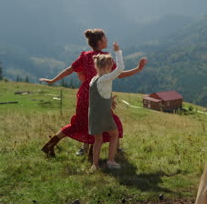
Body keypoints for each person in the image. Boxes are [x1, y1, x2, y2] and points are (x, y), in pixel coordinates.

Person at [40, 29, 147, 157]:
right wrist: (138, 69)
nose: (107, 40)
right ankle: (97, 156)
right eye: (105, 38)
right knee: (109, 125)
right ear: (100, 42)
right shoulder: (105, 58)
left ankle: (50, 145)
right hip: (98, 96)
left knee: (79, 124)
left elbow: (69, 70)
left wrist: (53, 80)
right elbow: (120, 74)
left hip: (85, 94)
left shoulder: (85, 56)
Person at [89, 42, 124, 170]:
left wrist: (109, 99)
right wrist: (118, 51)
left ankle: (95, 165)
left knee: (98, 140)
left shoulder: (94, 79)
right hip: (104, 114)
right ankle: (111, 161)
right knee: (114, 135)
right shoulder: (105, 79)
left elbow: (100, 95)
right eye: (111, 65)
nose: (112, 67)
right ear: (107, 67)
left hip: (93, 114)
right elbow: (120, 69)